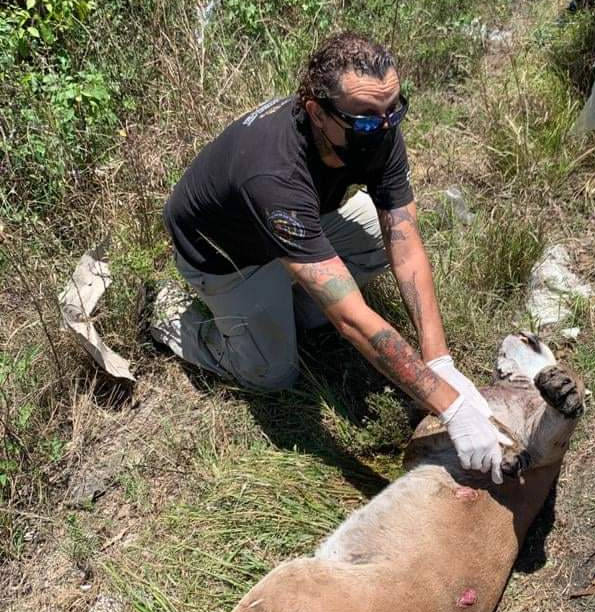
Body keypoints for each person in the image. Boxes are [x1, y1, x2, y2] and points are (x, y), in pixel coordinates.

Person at [152, 32, 510, 481]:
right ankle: (170, 314)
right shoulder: (273, 171)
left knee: (376, 241)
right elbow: (351, 318)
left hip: (303, 223)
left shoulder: (376, 121)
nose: (382, 128)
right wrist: (450, 405)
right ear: (316, 112)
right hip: (229, 256)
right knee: (272, 374)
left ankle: (291, 299)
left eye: (393, 110)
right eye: (365, 119)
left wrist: (439, 361)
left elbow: (404, 240)